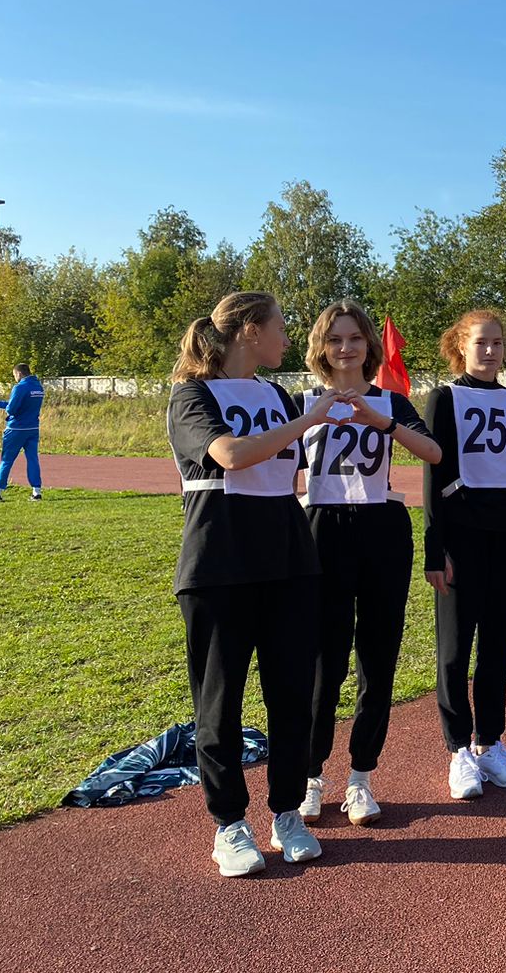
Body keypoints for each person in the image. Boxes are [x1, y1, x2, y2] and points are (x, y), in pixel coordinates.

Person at [167, 292, 339, 876]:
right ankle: (229, 825)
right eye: (280, 327)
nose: (287, 338)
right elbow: (233, 455)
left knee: (292, 695)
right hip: (219, 565)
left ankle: (286, 812)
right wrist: (309, 419)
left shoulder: (277, 395)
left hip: (289, 560)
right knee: (219, 703)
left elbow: (287, 477)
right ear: (248, 331)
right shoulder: (192, 395)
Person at [298, 300, 442, 827]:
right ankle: (311, 776)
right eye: (335, 339)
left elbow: (434, 453)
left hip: (381, 527)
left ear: (369, 345)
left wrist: (383, 422)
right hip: (322, 528)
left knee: (377, 658)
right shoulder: (302, 401)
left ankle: (361, 776)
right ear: (321, 347)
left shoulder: (390, 400)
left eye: (355, 338)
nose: (345, 348)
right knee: (323, 661)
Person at [422, 309, 506, 799]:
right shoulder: (444, 398)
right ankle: (458, 750)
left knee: (495, 646)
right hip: (462, 537)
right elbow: (433, 474)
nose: (490, 351)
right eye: (480, 343)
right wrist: (436, 548)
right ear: (461, 347)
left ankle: (489, 743)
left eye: (497, 343)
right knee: (455, 649)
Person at [0, 362, 43, 502]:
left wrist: (1, 406)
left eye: (14, 375)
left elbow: (12, 409)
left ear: (19, 373)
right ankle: (36, 491)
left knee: (7, 460)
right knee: (32, 459)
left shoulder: (20, 387)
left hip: (16, 429)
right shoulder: (38, 387)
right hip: (33, 428)